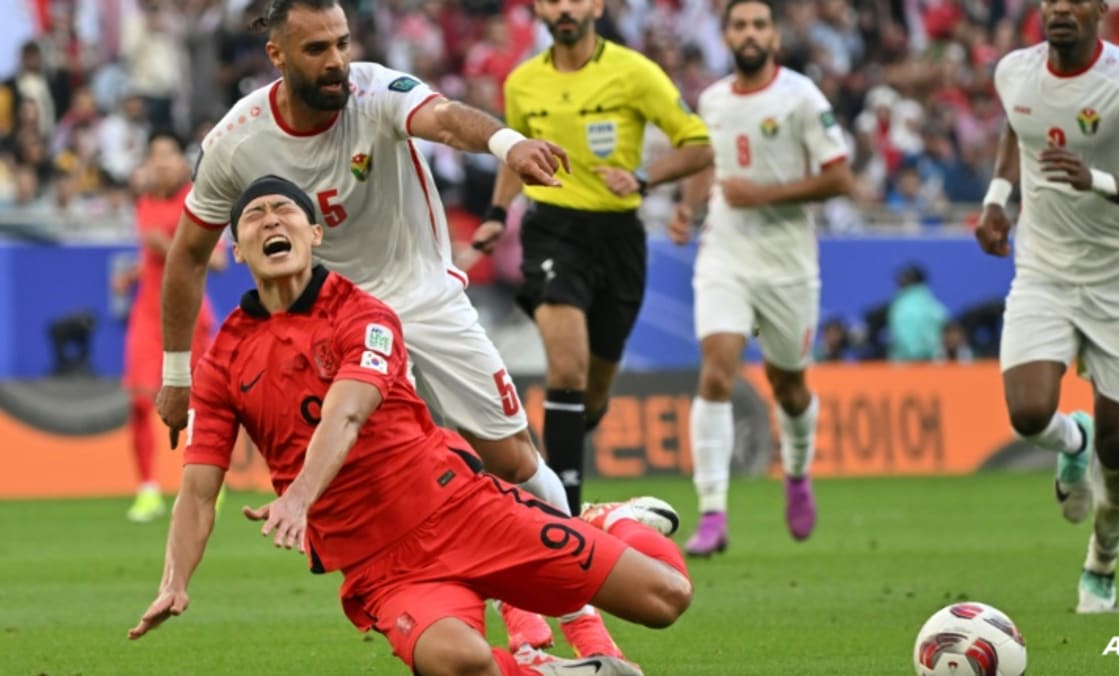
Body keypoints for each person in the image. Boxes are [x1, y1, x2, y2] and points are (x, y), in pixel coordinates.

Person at [151, 0, 590, 652]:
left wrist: (508, 143)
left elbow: (444, 118)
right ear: (276, 56)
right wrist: (178, 375)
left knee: (513, 460)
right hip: (343, 322)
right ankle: (523, 625)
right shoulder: (234, 142)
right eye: (316, 50)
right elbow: (187, 254)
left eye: (341, 43)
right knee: (417, 486)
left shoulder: (374, 89)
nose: (335, 62)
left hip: (422, 296)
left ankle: (584, 596)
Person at [127, 177, 693, 676]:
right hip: (383, 566)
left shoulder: (363, 314)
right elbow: (198, 491)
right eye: (254, 215)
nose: (271, 219)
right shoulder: (224, 359)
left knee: (666, 598)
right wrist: (174, 581)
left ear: (315, 234)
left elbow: (345, 413)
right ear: (238, 249)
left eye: (285, 209)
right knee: (458, 662)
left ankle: (604, 522)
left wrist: (298, 498)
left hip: (464, 511)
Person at [976, 0, 1119, 613]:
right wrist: (996, 198)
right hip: (1043, 270)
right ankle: (1073, 441)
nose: (1061, 8)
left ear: (1101, 10)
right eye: (1051, 0)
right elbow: (1019, 126)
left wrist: (1095, 179)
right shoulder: (1015, 70)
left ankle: (1102, 564)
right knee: (1028, 412)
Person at [475, 0, 712, 518]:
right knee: (567, 367)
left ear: (596, 6)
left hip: (618, 236)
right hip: (552, 231)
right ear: (538, 9)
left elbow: (697, 144)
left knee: (594, 390)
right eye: (552, 0)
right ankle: (565, 523)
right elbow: (517, 156)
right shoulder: (521, 83)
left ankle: (545, 470)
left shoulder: (634, 72)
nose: (564, 8)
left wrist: (646, 179)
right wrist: (496, 212)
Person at [666, 0, 853, 556]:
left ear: (774, 36)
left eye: (759, 25)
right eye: (740, 25)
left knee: (789, 387)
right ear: (726, 36)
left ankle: (796, 472)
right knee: (717, 373)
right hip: (725, 253)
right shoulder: (713, 100)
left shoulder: (801, 97)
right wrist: (688, 208)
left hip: (788, 264)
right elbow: (706, 163)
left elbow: (839, 177)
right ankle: (712, 513)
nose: (750, 34)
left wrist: (764, 195)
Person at [115, 129, 226, 523]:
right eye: (154, 155)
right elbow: (151, 258)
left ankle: (210, 477)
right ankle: (147, 489)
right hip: (147, 310)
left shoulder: (197, 203)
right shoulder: (143, 202)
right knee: (139, 400)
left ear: (182, 162)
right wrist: (132, 274)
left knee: (201, 403)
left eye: (168, 154)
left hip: (189, 313)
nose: (160, 162)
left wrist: (169, 245)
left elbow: (217, 262)